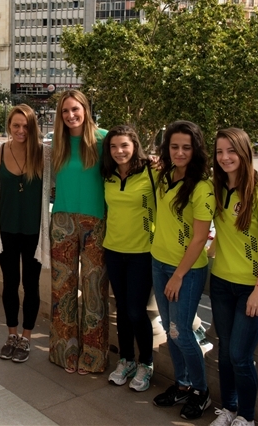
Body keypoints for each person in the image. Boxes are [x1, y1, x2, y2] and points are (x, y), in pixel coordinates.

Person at [208, 128, 258, 426]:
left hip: (254, 287)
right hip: (221, 283)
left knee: (239, 354)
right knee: (225, 352)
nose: (225, 158)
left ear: (245, 152)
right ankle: (229, 409)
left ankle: (247, 418)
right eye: (220, 152)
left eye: (231, 151)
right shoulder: (216, 186)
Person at [151, 120, 215, 420]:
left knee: (182, 332)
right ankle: (183, 384)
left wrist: (178, 275)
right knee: (169, 329)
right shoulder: (164, 176)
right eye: (174, 147)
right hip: (158, 262)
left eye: (186, 147)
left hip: (185, 272)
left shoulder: (202, 187)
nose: (179, 152)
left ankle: (201, 391)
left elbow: (200, 237)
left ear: (196, 149)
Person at [49, 89, 108, 375]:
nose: (71, 115)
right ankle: (64, 352)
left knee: (95, 289)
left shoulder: (105, 140)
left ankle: (94, 357)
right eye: (65, 111)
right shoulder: (57, 144)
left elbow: (131, 163)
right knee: (63, 290)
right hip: (61, 221)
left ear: (85, 109)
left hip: (96, 222)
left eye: (75, 109)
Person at [0, 105, 51, 364]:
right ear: (9, 126)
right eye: (16, 125)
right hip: (6, 228)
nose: (20, 130)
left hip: (33, 231)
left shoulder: (44, 153)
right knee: (10, 284)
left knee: (31, 285)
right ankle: (11, 334)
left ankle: (26, 336)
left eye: (26, 126)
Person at [101, 125, 157, 391]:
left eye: (124, 145)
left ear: (134, 145)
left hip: (142, 253)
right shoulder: (108, 175)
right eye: (113, 146)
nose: (119, 151)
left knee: (136, 310)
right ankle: (127, 360)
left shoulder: (151, 172)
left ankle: (147, 363)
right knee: (121, 309)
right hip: (113, 250)